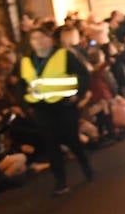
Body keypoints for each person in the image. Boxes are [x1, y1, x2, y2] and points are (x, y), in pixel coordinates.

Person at [16, 26, 92, 196]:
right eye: (34, 39)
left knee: (73, 140)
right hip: (42, 108)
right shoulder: (26, 61)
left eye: (42, 38)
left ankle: (86, 166)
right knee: (51, 145)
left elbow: (84, 74)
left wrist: (78, 94)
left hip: (64, 105)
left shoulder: (63, 55)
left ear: (49, 39)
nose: (38, 42)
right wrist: (24, 104)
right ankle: (60, 181)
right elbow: (20, 84)